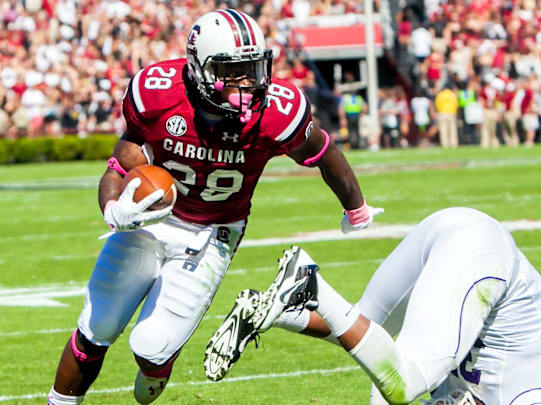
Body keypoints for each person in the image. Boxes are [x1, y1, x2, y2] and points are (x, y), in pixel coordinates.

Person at [46, 9, 382, 405]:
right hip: (151, 219)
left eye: (253, 69)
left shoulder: (278, 111)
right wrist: (113, 208)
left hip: (212, 233)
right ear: (200, 68)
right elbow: (121, 162)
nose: (248, 84)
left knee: (150, 346)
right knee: (97, 323)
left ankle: (158, 368)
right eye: (232, 72)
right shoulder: (157, 92)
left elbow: (324, 153)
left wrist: (356, 207)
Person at [206, 207, 541, 405]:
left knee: (362, 327)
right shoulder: (531, 395)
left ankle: (278, 310)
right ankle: (310, 281)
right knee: (404, 383)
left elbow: (376, 357)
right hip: (482, 254)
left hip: (459, 230)